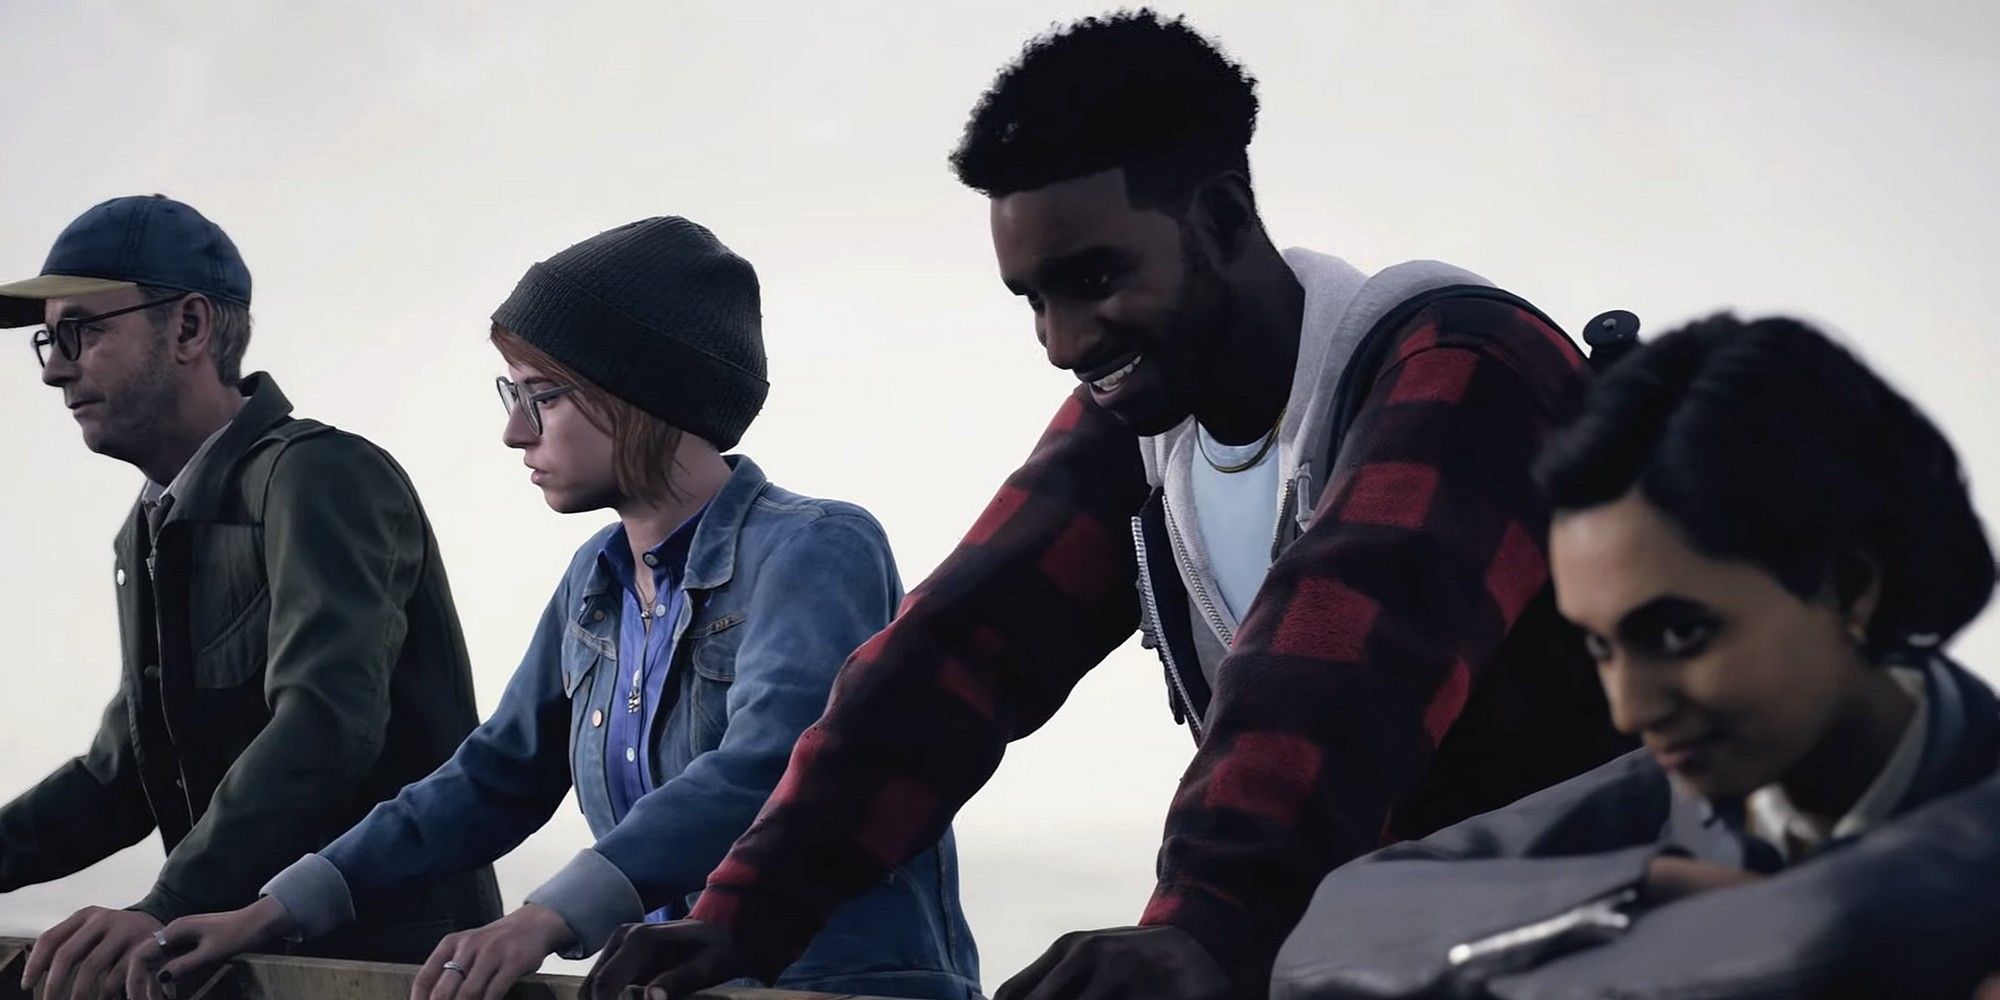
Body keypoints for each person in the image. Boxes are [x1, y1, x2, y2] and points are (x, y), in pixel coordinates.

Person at [582, 12, 1629, 1000]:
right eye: (1033, 297)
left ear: (1221, 217)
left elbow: (1338, 665)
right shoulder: (1141, 417)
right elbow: (948, 659)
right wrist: (740, 917)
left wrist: (1205, 924)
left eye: (1094, 278)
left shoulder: (1461, 363)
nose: (1063, 340)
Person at [141, 217, 981, 1000]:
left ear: (640, 393)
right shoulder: (594, 583)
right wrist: (274, 910)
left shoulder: (816, 548)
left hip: (844, 992)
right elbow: (489, 778)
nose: (515, 432)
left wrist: (547, 917)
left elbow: (772, 766)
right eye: (509, 394)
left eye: (541, 395)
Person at [1268, 314, 2000, 999]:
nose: (1630, 707)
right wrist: (1641, 892)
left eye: (1681, 634)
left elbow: (1851, 925)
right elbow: (1333, 930)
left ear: (1848, 589)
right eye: (1602, 646)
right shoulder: (1670, 798)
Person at [0, 195, 500, 1000]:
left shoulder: (321, 476)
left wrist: (167, 905)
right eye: (45, 341)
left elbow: (326, 723)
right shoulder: (148, 528)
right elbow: (122, 772)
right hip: (241, 969)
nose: (56, 366)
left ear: (191, 329)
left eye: (80, 332)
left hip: (387, 973)